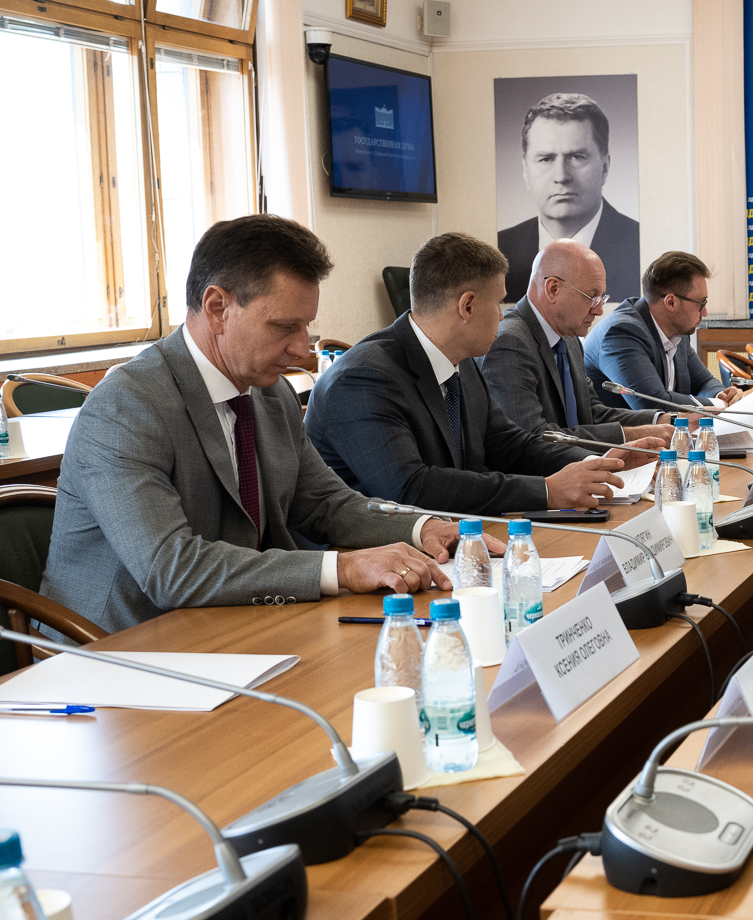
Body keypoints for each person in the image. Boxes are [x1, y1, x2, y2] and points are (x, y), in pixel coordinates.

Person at [43, 216, 457, 633]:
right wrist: (344, 568)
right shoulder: (125, 406)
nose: (302, 349)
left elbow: (324, 503)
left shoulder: (271, 394)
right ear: (217, 309)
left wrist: (422, 528)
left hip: (235, 622)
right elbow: (171, 569)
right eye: (284, 327)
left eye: (306, 326)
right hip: (123, 644)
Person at [306, 233, 632, 515]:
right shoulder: (364, 378)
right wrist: (547, 491)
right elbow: (412, 488)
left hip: (452, 538)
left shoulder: (462, 363)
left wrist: (597, 462)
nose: (502, 316)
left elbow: (510, 446)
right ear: (468, 306)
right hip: (372, 554)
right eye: (499, 303)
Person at [480, 239, 671, 448]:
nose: (599, 310)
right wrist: (633, 436)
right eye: (591, 297)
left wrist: (661, 420)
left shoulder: (569, 337)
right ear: (553, 289)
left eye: (601, 298)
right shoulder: (510, 343)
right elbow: (533, 439)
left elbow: (591, 413)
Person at [497, 93, 641, 306]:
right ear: (526, 171)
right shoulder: (501, 249)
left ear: (604, 167)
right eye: (546, 159)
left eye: (577, 157)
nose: (561, 176)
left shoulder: (639, 244)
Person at [584, 250, 741, 414]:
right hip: (618, 430)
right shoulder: (622, 333)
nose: (705, 312)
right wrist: (720, 405)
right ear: (671, 302)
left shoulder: (677, 330)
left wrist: (722, 395)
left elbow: (704, 382)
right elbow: (653, 404)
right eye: (701, 303)